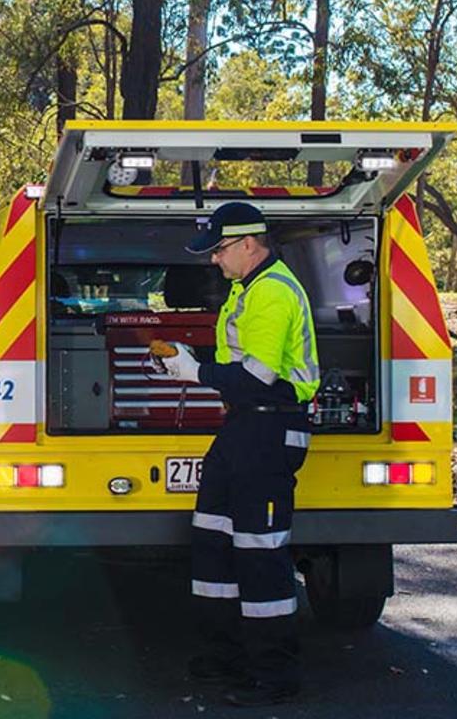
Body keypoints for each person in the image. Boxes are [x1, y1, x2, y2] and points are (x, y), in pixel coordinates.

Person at [160, 202, 320, 707]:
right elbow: (236, 363)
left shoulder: (271, 292)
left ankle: (274, 678)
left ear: (250, 244)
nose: (214, 260)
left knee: (260, 555)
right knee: (213, 541)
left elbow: (259, 377)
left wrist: (196, 373)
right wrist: (192, 362)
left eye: (220, 249)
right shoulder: (246, 289)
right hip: (244, 426)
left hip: (269, 429)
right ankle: (221, 658)